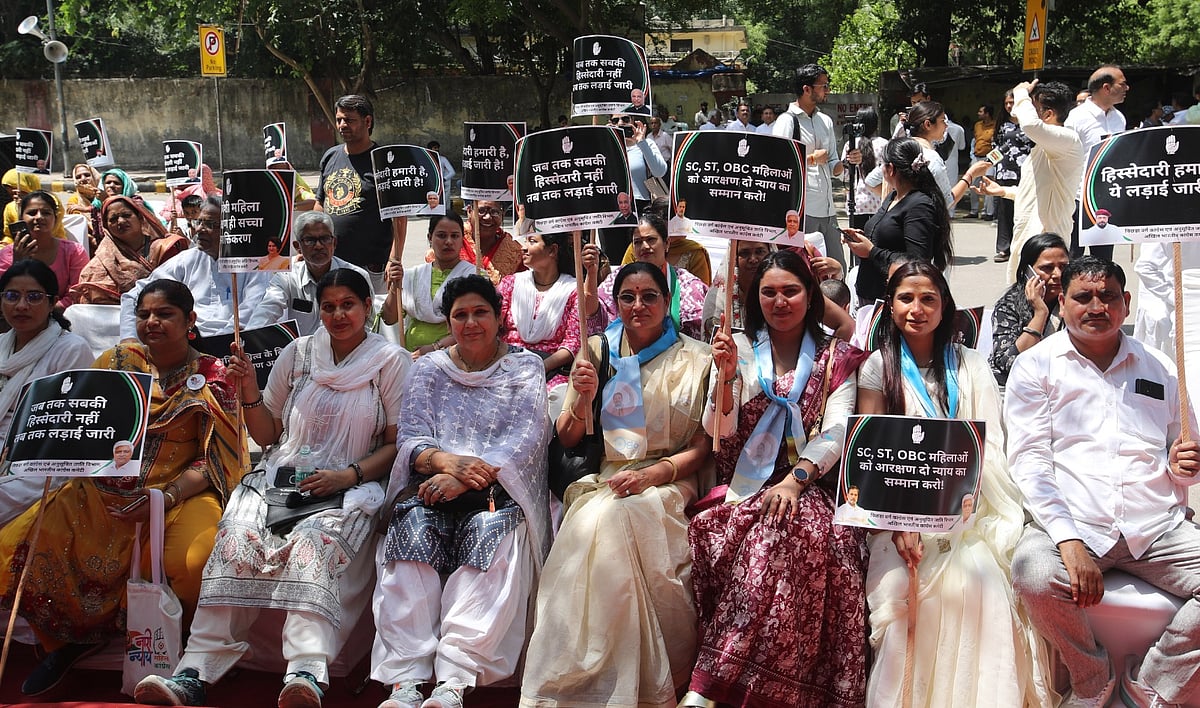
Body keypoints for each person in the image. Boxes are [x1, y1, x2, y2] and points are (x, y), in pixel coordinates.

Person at [135, 269, 409, 708]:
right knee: (234, 541)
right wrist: (248, 393)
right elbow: (267, 435)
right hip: (281, 479)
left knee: (311, 547)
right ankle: (195, 671)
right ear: (318, 310)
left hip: (350, 484)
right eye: (328, 306)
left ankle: (306, 671)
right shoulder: (298, 353)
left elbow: (396, 444)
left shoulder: (391, 362)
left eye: (348, 305)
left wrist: (348, 476)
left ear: (367, 307)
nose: (338, 314)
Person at [0, 279, 244, 696]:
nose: (152, 322)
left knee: (194, 559)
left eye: (164, 314)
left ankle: (182, 650)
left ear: (190, 320)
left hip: (177, 493)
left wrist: (162, 497)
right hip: (101, 489)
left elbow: (214, 459)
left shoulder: (211, 375)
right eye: (144, 314)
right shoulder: (117, 360)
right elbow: (79, 422)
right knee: (20, 546)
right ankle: (67, 643)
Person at [857, 262, 1053, 708]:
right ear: (890, 307)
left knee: (980, 579)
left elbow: (991, 449)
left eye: (929, 299)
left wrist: (960, 511)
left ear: (945, 307)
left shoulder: (972, 364)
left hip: (970, 510)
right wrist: (900, 522)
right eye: (906, 298)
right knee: (905, 599)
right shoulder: (876, 368)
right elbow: (869, 452)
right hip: (897, 515)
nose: (917, 309)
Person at [1007, 257, 1200, 708]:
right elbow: (1030, 461)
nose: (1097, 306)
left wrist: (1182, 465)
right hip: (1074, 522)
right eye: (1083, 297)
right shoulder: (1035, 367)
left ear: (1126, 303)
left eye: (1108, 296)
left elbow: (1185, 453)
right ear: (1061, 302)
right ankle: (1092, 679)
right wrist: (1069, 541)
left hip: (1155, 526)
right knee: (1033, 573)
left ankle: (1154, 685)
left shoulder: (1162, 367)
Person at [680, 249, 869, 708]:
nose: (780, 301)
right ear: (754, 297)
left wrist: (795, 480)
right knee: (769, 526)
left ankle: (713, 684)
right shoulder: (738, 350)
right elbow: (717, 433)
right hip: (744, 485)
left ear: (811, 296)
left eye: (791, 291)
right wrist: (724, 382)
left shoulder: (837, 359)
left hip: (811, 487)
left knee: (789, 529)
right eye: (768, 292)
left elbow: (838, 433)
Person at [520, 261, 712, 708]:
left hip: (672, 476)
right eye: (628, 297)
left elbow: (705, 447)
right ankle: (587, 669)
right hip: (609, 475)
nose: (638, 306)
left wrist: (652, 475)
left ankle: (635, 679)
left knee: (620, 516)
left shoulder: (700, 357)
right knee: (592, 523)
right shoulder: (597, 350)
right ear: (616, 302)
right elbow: (568, 436)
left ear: (668, 303)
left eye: (650, 297)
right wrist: (583, 395)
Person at [372, 274, 551, 708]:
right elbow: (412, 435)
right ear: (448, 322)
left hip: (496, 489)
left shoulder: (525, 366)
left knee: (490, 539)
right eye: (460, 315)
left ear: (498, 317)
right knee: (412, 534)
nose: (471, 323)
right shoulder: (429, 369)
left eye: (480, 313)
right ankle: (406, 678)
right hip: (434, 483)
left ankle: (455, 675)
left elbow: (526, 436)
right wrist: (447, 465)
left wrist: (467, 477)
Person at [0, 260, 95, 525]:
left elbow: (66, 429)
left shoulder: (71, 350)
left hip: (41, 460)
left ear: (52, 302)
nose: (21, 305)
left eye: (34, 297)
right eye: (11, 296)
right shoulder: (0, 346)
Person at [972, 80, 1084, 284]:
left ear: (1048, 114)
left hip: (1048, 243)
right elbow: (1036, 190)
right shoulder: (1041, 147)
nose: (1023, 111)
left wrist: (1020, 92)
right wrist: (1003, 191)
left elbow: (1031, 125)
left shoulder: (1068, 140)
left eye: (1033, 108)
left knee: (1042, 303)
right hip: (1028, 240)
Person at [120, 197, 271, 340]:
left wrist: (216, 345)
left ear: (232, 228)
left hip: (233, 345)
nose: (199, 229)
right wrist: (129, 337)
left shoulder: (254, 264)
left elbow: (250, 312)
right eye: (198, 222)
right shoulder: (188, 259)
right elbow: (134, 295)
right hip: (186, 345)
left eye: (210, 224)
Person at [842, 137, 954, 307]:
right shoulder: (893, 196)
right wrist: (861, 239)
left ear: (891, 169)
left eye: (882, 164)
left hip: (893, 301)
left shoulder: (919, 205)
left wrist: (871, 251)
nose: (880, 169)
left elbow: (917, 260)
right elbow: (888, 236)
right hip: (870, 294)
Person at [772, 64, 850, 268]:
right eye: (823, 86)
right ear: (807, 89)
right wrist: (812, 159)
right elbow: (776, 163)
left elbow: (833, 163)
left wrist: (847, 162)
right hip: (802, 210)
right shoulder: (786, 122)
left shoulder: (825, 121)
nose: (828, 90)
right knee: (806, 269)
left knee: (836, 267)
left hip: (828, 208)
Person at [247, 211, 374, 336]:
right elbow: (266, 311)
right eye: (310, 240)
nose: (318, 246)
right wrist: (249, 340)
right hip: (303, 354)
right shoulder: (287, 278)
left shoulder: (357, 276)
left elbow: (368, 325)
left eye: (324, 239)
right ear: (298, 247)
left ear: (334, 243)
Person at [593, 212, 707, 339]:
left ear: (667, 243)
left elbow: (700, 331)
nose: (645, 246)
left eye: (651, 240)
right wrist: (591, 274)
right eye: (638, 242)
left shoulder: (688, 285)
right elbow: (595, 316)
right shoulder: (616, 279)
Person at [319, 94, 391, 290]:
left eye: (349, 120)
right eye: (339, 119)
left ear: (367, 121)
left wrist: (395, 258)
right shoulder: (330, 156)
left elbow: (398, 216)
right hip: (332, 266)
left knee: (373, 319)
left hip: (372, 269)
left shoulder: (383, 161)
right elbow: (320, 204)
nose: (342, 125)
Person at [498, 232, 581, 388]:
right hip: (505, 364)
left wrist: (539, 366)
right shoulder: (510, 284)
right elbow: (492, 325)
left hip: (550, 371)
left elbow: (573, 344)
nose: (523, 248)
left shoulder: (573, 291)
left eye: (532, 241)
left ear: (552, 250)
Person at [71, 195, 189, 305]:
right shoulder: (103, 259)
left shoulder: (165, 249)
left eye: (126, 215)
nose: (121, 221)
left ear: (140, 218)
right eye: (113, 219)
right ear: (106, 227)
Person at [1065, 66, 1129, 261]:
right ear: (1106, 88)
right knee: (1073, 258)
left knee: (1102, 261)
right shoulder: (1077, 118)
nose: (1127, 88)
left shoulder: (1119, 118)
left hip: (1106, 200)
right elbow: (1066, 158)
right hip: (1077, 200)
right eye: (1123, 83)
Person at [988, 233, 1069, 387]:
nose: (1058, 274)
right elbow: (1009, 363)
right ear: (1028, 271)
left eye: (1064, 266)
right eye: (1047, 268)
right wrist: (1040, 314)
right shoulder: (1008, 306)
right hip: (1016, 386)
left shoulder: (1075, 301)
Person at [390, 212, 477, 354]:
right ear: (430, 238)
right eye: (442, 235)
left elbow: (475, 325)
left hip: (456, 355)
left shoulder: (474, 277)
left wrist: (435, 348)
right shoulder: (413, 275)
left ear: (462, 240)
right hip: (412, 355)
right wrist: (395, 286)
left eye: (455, 236)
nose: (448, 241)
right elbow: (390, 318)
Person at [0, 191, 89, 308]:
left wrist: (45, 312)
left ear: (55, 218)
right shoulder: (7, 254)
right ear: (21, 219)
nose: (39, 217)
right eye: (32, 213)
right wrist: (17, 264)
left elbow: (78, 293)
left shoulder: (74, 252)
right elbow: (4, 296)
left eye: (46, 213)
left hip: (61, 318)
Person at [989, 90, 1035, 263]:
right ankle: (1003, 248)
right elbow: (995, 147)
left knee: (1026, 211)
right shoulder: (1001, 124)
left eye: (1012, 103)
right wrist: (988, 166)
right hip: (1005, 172)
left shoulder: (1030, 123)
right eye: (1007, 103)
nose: (1009, 106)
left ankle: (1026, 248)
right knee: (1005, 212)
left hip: (1027, 173)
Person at [701, 240, 771, 338]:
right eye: (745, 253)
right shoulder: (717, 298)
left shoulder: (780, 295)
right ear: (734, 259)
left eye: (759, 252)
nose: (753, 259)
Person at [841, 106, 888, 230]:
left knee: (857, 245)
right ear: (875, 124)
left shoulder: (850, 144)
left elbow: (845, 176)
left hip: (857, 204)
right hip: (879, 204)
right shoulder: (884, 144)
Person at [455, 200, 523, 284]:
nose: (487, 217)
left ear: (503, 214)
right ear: (469, 211)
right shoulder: (454, 239)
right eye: (481, 211)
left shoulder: (514, 250)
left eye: (494, 212)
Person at [967, 104, 996, 219]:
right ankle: (974, 211)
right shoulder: (977, 125)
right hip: (977, 157)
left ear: (987, 114)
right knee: (973, 183)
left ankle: (987, 212)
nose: (978, 114)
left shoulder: (995, 126)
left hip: (989, 158)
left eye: (981, 112)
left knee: (988, 183)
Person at [66, 163, 102, 248]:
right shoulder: (74, 201)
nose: (83, 179)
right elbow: (78, 227)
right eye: (78, 177)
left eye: (87, 175)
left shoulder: (104, 195)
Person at [2, 170, 41, 235]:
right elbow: (8, 234)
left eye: (17, 192)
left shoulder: (50, 202)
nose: (15, 196)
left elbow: (51, 229)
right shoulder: (10, 207)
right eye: (11, 194)